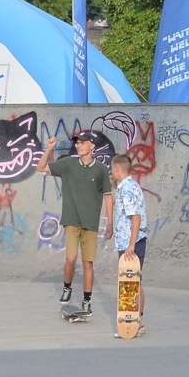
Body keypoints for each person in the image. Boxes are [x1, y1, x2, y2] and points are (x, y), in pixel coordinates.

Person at [36, 130, 113, 315]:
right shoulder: (68, 164)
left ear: (92, 146)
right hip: (71, 220)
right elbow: (41, 168)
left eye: (82, 142)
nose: (78, 145)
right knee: (71, 258)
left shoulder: (101, 169)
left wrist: (110, 222)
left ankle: (87, 300)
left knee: (88, 263)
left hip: (91, 223)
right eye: (77, 143)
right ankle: (67, 287)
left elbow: (108, 196)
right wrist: (49, 149)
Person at [110, 154, 148, 336]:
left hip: (131, 243)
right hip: (129, 242)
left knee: (131, 282)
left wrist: (131, 244)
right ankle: (134, 321)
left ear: (117, 169)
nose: (111, 172)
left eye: (112, 169)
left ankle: (135, 323)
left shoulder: (127, 190)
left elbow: (136, 217)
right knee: (133, 282)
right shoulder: (129, 186)